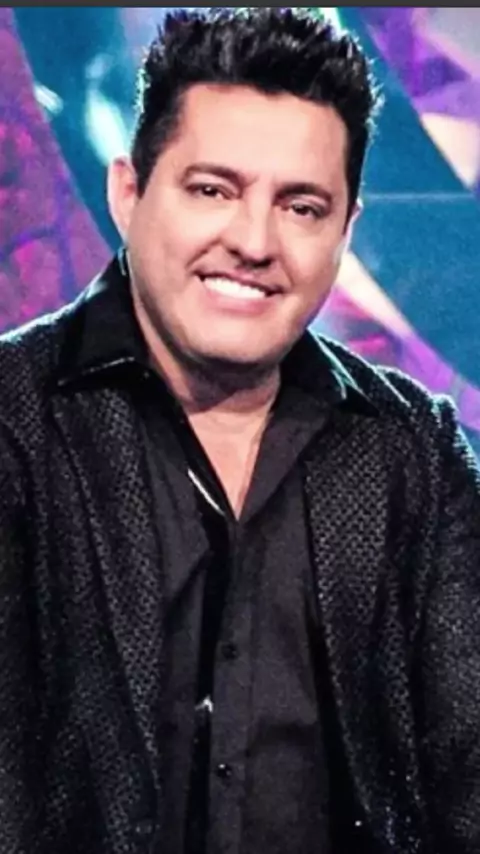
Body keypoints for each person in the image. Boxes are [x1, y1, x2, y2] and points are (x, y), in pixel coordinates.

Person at [1, 8, 479, 854]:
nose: (255, 242)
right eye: (213, 190)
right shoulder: (13, 420)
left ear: (346, 231)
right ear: (127, 193)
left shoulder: (413, 448)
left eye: (302, 206)